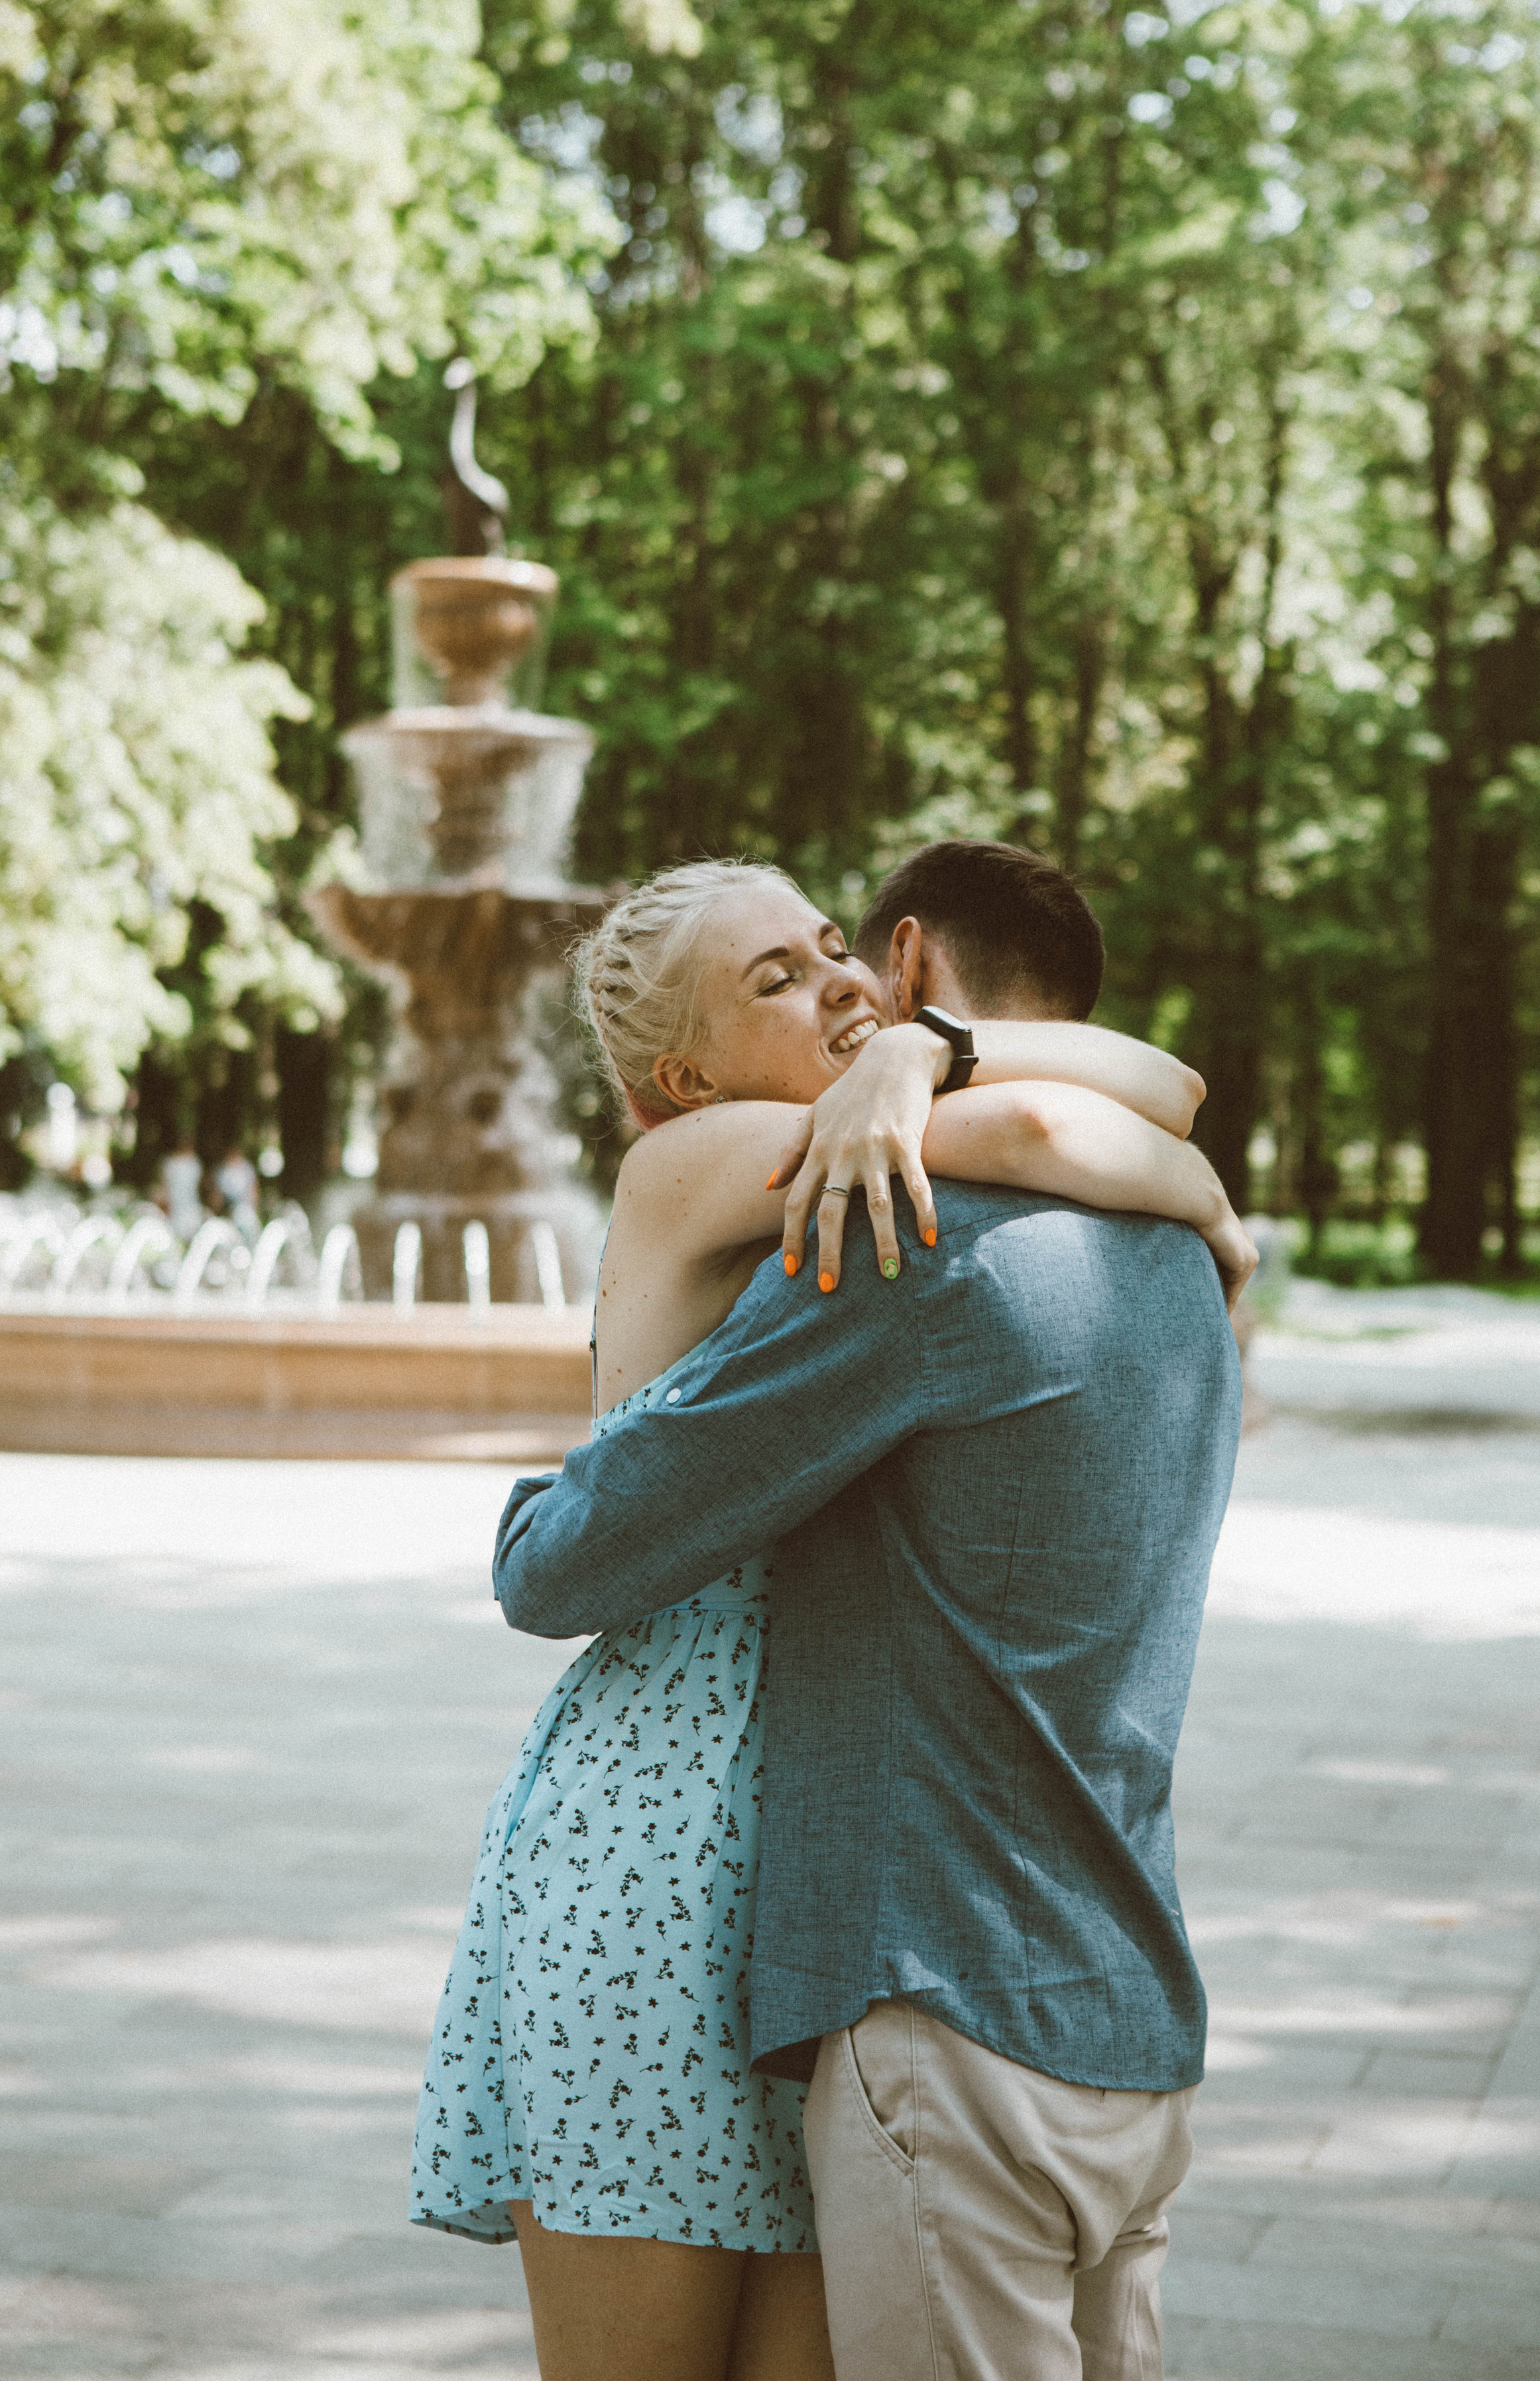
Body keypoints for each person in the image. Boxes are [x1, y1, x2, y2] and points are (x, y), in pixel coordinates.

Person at [413, 848, 1250, 2381]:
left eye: (828, 947)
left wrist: (922, 1056)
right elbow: (1063, 1117)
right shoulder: (703, 1157)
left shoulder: (875, 1160)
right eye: (776, 980)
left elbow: (1153, 1087)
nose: (841, 986)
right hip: (663, 1857)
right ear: (682, 1074)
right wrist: (1179, 1181)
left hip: (829, 1901)